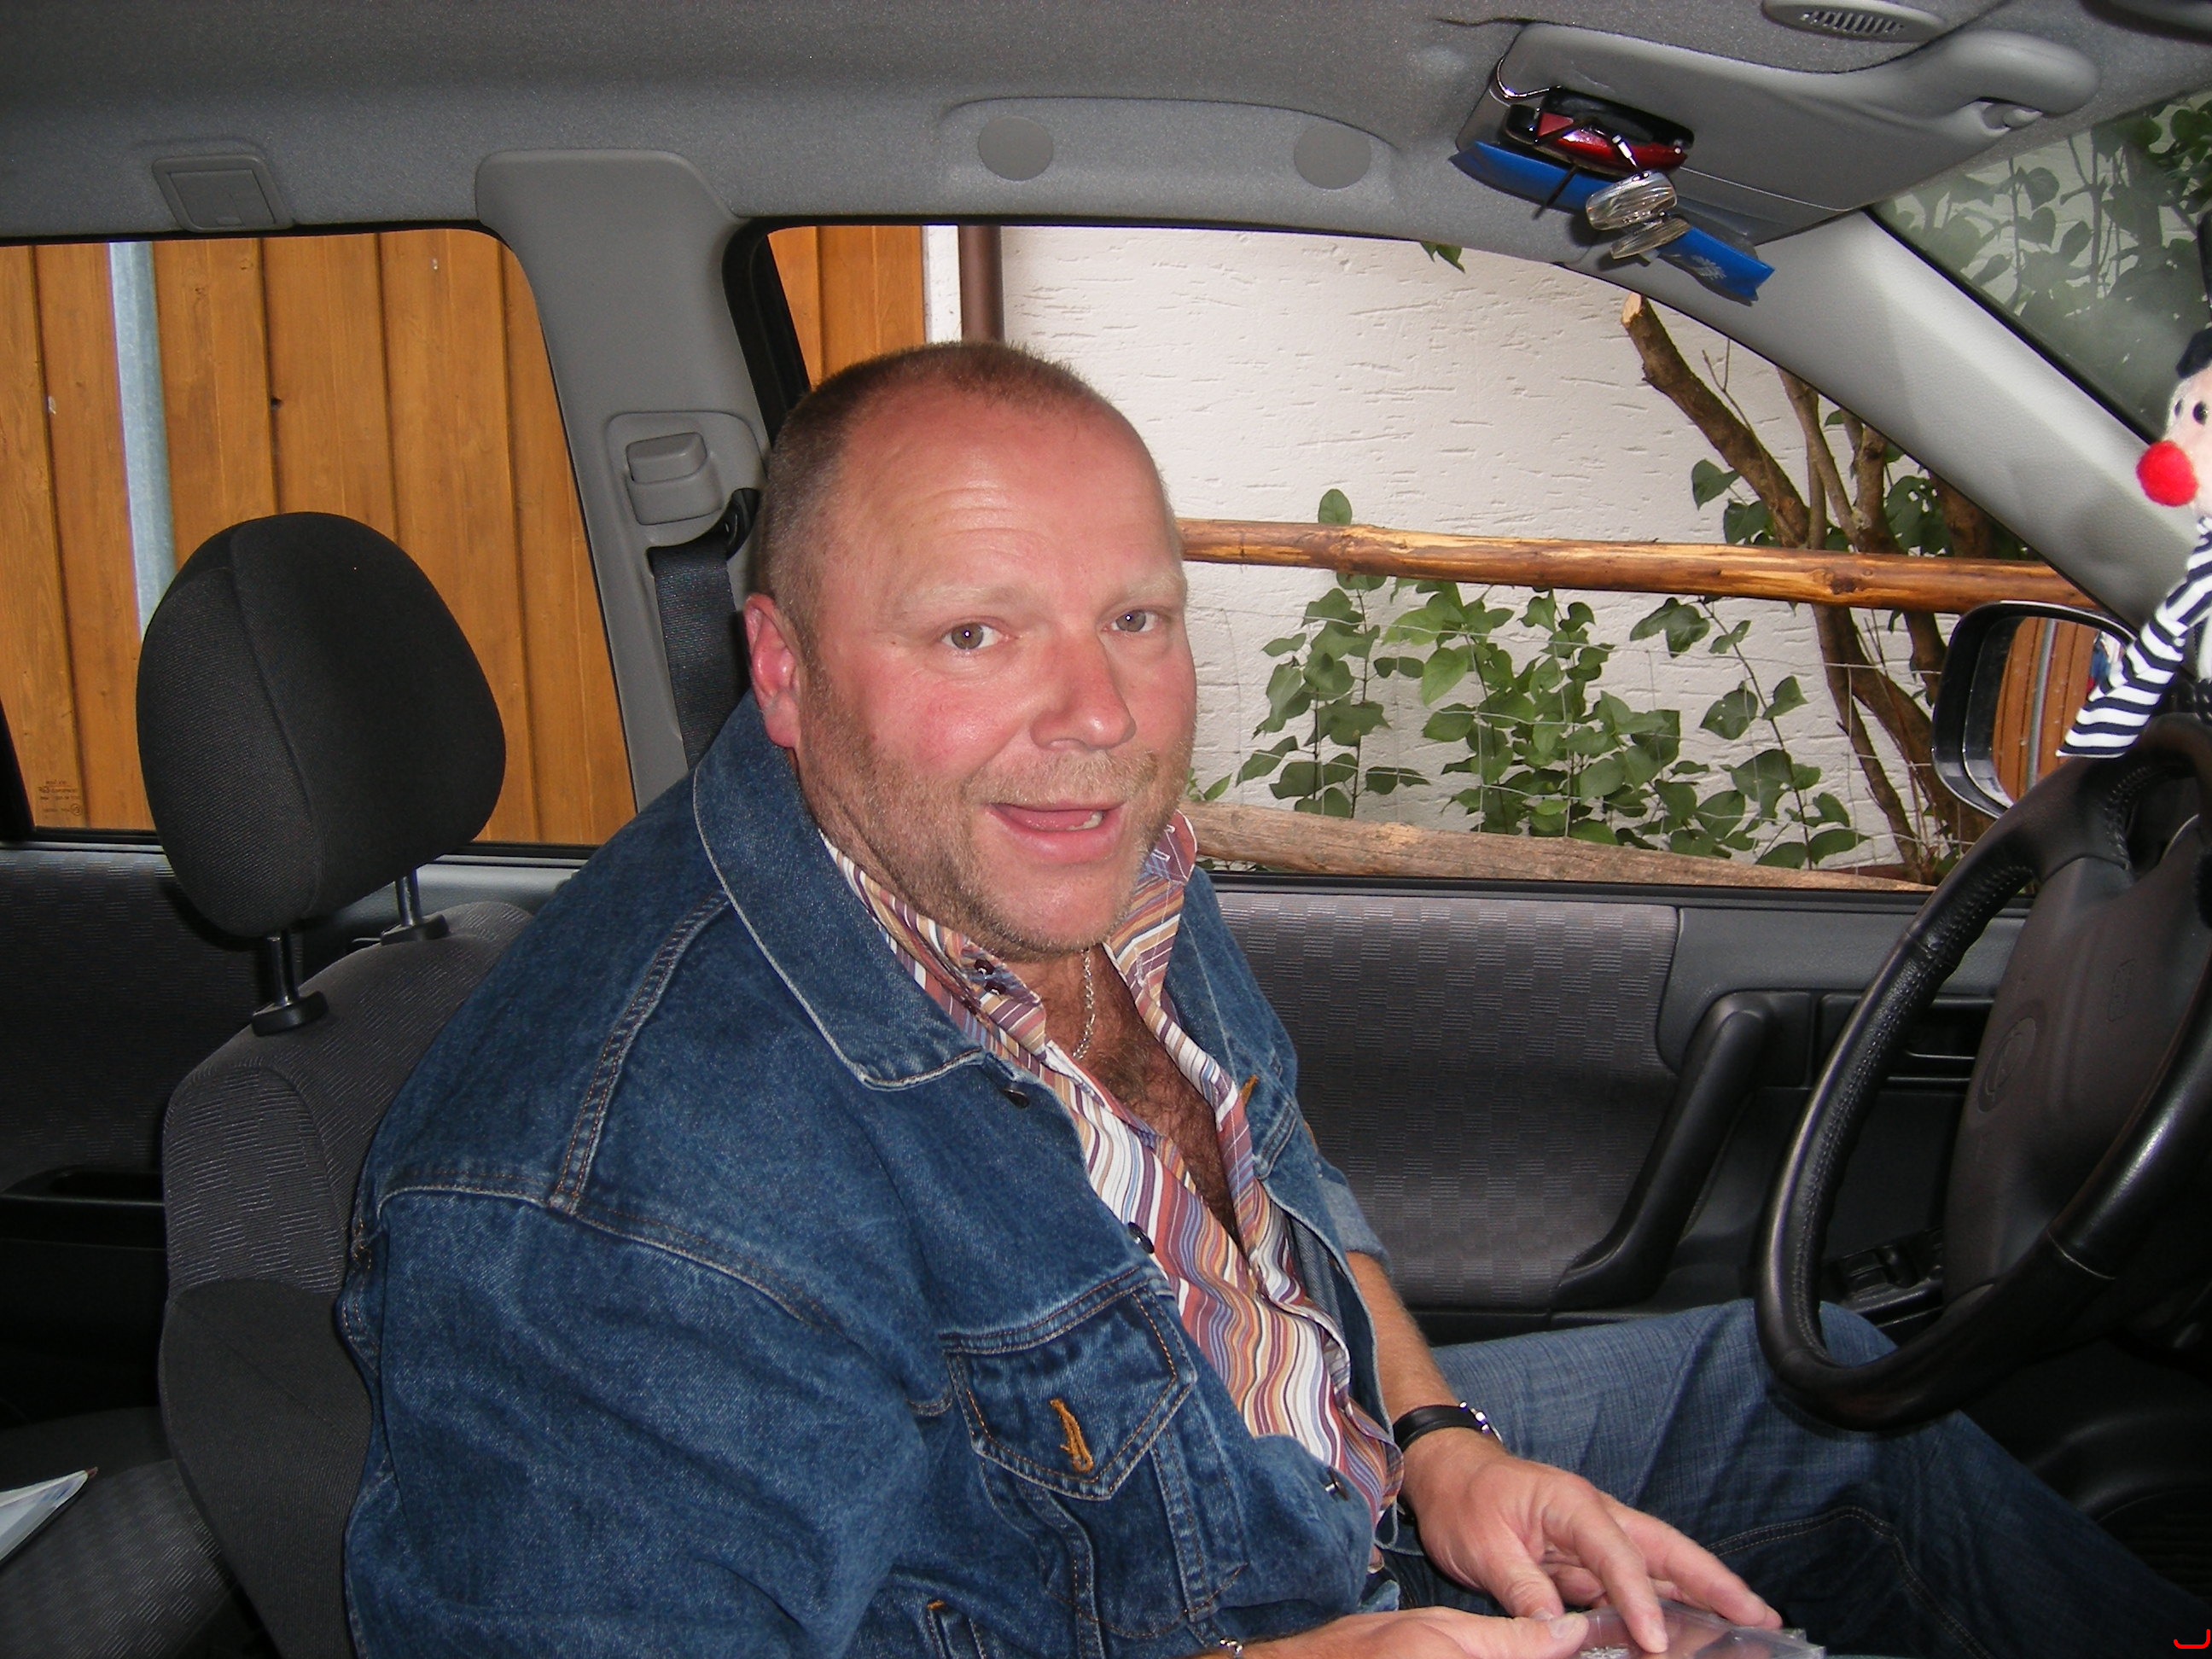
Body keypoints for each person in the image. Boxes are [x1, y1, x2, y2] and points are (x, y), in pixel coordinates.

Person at [341, 342, 2208, 1659]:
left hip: (1296, 1494)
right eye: (976, 632)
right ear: (783, 667)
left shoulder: (1079, 859)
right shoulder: (606, 1209)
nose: (1099, 715)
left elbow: (1273, 1175)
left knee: (1834, 1398)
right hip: (1189, 1613)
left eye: (1137, 619)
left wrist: (1446, 1450)